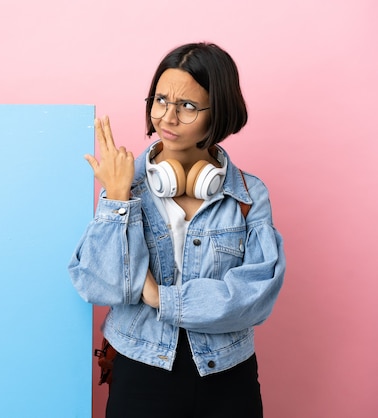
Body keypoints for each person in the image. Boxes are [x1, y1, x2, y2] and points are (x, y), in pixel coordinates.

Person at [68, 42, 285, 418]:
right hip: (140, 370)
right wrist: (118, 198)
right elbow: (98, 285)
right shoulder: (125, 183)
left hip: (227, 373)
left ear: (219, 112)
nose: (167, 117)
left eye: (187, 106)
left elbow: (253, 298)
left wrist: (159, 298)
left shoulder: (249, 195)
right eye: (160, 100)